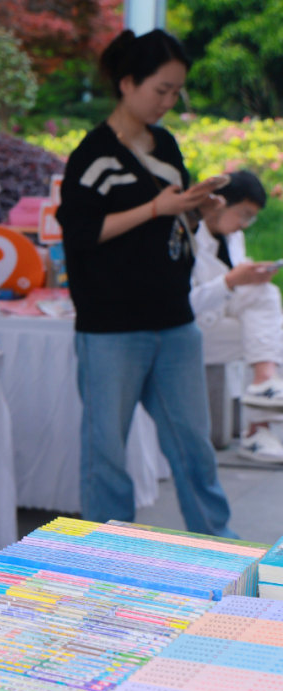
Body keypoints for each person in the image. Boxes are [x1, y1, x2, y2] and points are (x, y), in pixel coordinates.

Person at [57, 29, 236, 538]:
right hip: (110, 327)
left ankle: (221, 549)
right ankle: (107, 557)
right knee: (106, 456)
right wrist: (157, 207)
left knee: (194, 449)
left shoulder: (166, 144)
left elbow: (171, 225)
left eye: (176, 91)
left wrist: (198, 209)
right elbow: (81, 232)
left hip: (175, 320)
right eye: (161, 89)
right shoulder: (93, 155)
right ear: (127, 83)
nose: (168, 101)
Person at [190, 170, 283, 461]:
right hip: (192, 330)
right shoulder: (187, 237)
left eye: (250, 218)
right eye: (243, 214)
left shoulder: (234, 238)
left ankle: (264, 382)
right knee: (268, 338)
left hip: (224, 320)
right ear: (218, 203)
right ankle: (256, 430)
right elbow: (181, 305)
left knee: (266, 294)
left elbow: (236, 293)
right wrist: (230, 282)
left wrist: (250, 278)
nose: (243, 224)